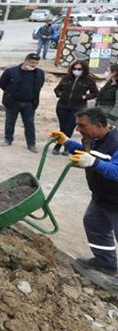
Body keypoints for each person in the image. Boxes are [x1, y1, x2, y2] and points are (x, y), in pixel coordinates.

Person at [50, 108, 118, 282]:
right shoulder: (94, 138)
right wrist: (66, 142)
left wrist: (94, 163)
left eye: (82, 126)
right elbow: (86, 151)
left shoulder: (116, 142)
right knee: (94, 223)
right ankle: (106, 263)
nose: (78, 129)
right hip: (102, 197)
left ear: (98, 125)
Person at [0, 52, 45, 153]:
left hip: (29, 103)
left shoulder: (39, 73)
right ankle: (8, 139)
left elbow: (40, 85)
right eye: (32, 62)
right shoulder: (11, 71)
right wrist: (10, 93)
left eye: (36, 63)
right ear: (25, 61)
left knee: (29, 124)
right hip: (13, 102)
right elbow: (2, 84)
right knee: (10, 122)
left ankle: (31, 144)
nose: (34, 65)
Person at [52, 60, 99, 154]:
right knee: (63, 127)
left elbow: (95, 93)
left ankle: (62, 146)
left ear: (84, 69)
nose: (76, 70)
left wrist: (85, 97)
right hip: (62, 106)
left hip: (78, 107)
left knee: (69, 127)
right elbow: (57, 89)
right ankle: (64, 144)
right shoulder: (66, 78)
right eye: (75, 68)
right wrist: (60, 94)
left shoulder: (89, 80)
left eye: (79, 69)